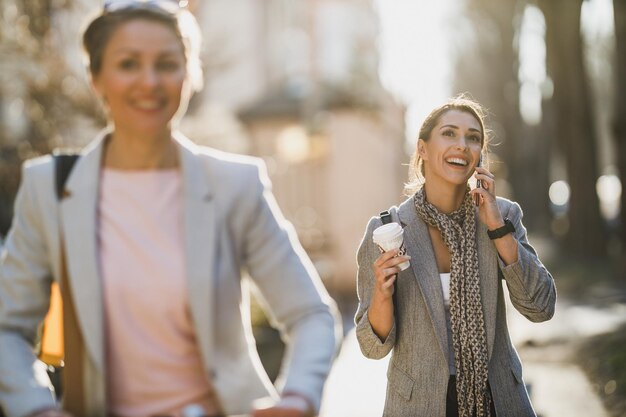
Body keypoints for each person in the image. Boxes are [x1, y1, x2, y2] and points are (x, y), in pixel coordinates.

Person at [0, 1, 341, 416]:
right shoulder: (49, 189)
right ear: (95, 77)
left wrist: (297, 398)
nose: (150, 82)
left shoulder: (235, 185)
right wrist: (37, 409)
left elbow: (311, 314)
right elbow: (7, 330)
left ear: (190, 74)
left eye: (167, 64)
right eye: (128, 64)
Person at [355, 96, 556, 417]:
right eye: (449, 133)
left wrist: (497, 228)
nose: (462, 144)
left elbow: (541, 307)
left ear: (479, 154)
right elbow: (372, 347)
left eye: (473, 138)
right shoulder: (385, 229)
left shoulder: (503, 215)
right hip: (418, 405)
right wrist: (382, 291)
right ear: (422, 149)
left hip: (498, 400)